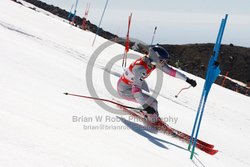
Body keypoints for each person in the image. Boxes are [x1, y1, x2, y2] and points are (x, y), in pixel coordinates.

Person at [117, 45, 197, 123]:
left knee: (152, 103)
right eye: (162, 60)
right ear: (156, 58)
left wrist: (187, 79)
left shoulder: (152, 62)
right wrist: (146, 107)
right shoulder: (141, 69)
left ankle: (150, 116)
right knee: (153, 102)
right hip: (124, 90)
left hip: (130, 87)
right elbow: (136, 90)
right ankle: (153, 120)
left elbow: (171, 71)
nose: (164, 63)